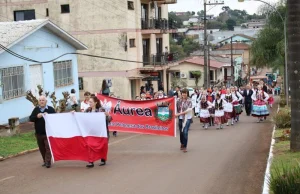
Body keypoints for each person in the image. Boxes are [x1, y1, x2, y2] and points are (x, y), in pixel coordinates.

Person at [84, 96, 111, 168]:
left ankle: (103, 159)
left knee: (103, 146)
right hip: (91, 132)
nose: (89, 103)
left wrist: (108, 116)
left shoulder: (101, 110)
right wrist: (74, 114)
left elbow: (110, 119)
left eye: (91, 102)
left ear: (95, 102)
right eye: (88, 102)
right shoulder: (87, 111)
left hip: (101, 133)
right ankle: (91, 161)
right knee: (90, 145)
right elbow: (81, 117)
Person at [29, 96, 56, 168]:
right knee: (42, 148)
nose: (41, 101)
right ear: (38, 102)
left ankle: (48, 162)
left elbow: (56, 119)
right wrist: (37, 116)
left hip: (48, 133)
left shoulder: (50, 109)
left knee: (48, 147)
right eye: (40, 100)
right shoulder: (36, 109)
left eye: (43, 100)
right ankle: (45, 160)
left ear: (46, 101)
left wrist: (49, 116)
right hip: (39, 133)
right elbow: (31, 118)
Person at [175, 89, 192, 153]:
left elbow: (188, 110)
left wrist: (178, 114)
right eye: (183, 93)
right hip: (180, 118)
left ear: (187, 94)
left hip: (187, 118)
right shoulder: (178, 101)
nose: (184, 94)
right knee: (181, 132)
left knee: (185, 132)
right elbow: (174, 106)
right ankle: (182, 143)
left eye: (185, 93)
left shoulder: (189, 101)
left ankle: (185, 146)